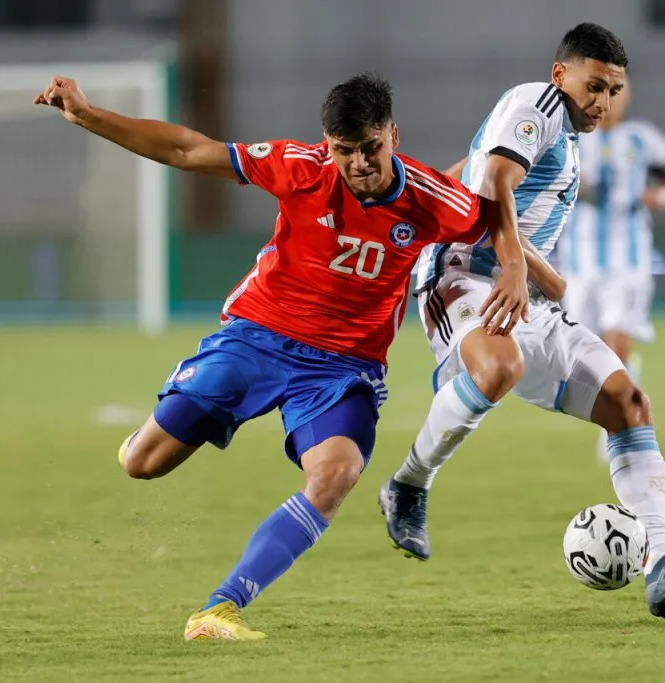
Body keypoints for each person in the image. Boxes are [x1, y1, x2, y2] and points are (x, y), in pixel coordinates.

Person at [35, 71, 529, 640]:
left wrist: (514, 265)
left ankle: (221, 608)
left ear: (393, 134)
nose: (360, 164)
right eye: (346, 152)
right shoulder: (301, 166)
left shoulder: (430, 198)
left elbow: (491, 216)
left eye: (372, 148)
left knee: (337, 474)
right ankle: (163, 421)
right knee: (142, 463)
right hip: (256, 337)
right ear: (328, 145)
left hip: (342, 368)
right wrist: (89, 115)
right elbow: (189, 149)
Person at [378, 23, 665, 620]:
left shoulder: (567, 139)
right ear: (560, 75)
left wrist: (540, 278)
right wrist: (516, 266)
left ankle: (663, 564)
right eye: (593, 86)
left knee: (629, 403)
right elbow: (493, 181)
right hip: (464, 275)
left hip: (525, 295)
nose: (602, 101)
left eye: (613, 90)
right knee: (498, 366)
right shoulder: (535, 104)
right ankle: (409, 484)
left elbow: (472, 172)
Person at [553, 84, 665, 462]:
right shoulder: (571, 141)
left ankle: (621, 427)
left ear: (626, 97)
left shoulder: (645, 140)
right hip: (579, 261)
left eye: (617, 92)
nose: (608, 100)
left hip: (627, 260)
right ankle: (623, 391)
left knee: (618, 342)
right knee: (584, 357)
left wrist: (663, 196)